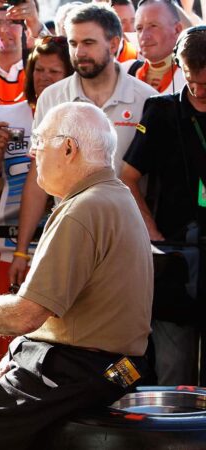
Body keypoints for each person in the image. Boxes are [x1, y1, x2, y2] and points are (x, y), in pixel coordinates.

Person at [0, 101, 153, 450]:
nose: (31, 153)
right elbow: (55, 320)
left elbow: (24, 315)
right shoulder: (112, 196)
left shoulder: (84, 208)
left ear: (69, 149)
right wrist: (12, 361)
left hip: (82, 369)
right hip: (107, 367)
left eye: (39, 142)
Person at [10, 3, 157, 286]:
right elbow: (36, 178)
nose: (79, 53)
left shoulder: (147, 100)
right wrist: (21, 250)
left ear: (114, 43)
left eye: (88, 42)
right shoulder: (51, 98)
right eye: (74, 43)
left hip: (128, 242)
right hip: (69, 241)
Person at [120, 26, 206, 386]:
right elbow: (126, 177)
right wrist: (153, 234)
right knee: (173, 370)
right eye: (191, 80)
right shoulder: (160, 111)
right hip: (176, 261)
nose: (200, 91)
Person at [0, 35, 74, 361]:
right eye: (40, 69)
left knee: (51, 343)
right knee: (2, 339)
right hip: (9, 247)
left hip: (55, 247)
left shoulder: (77, 117)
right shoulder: (5, 114)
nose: (45, 77)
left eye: (55, 71)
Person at [125, 0, 186, 94]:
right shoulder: (126, 71)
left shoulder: (192, 77)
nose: (144, 36)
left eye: (153, 26)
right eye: (139, 28)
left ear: (177, 30)